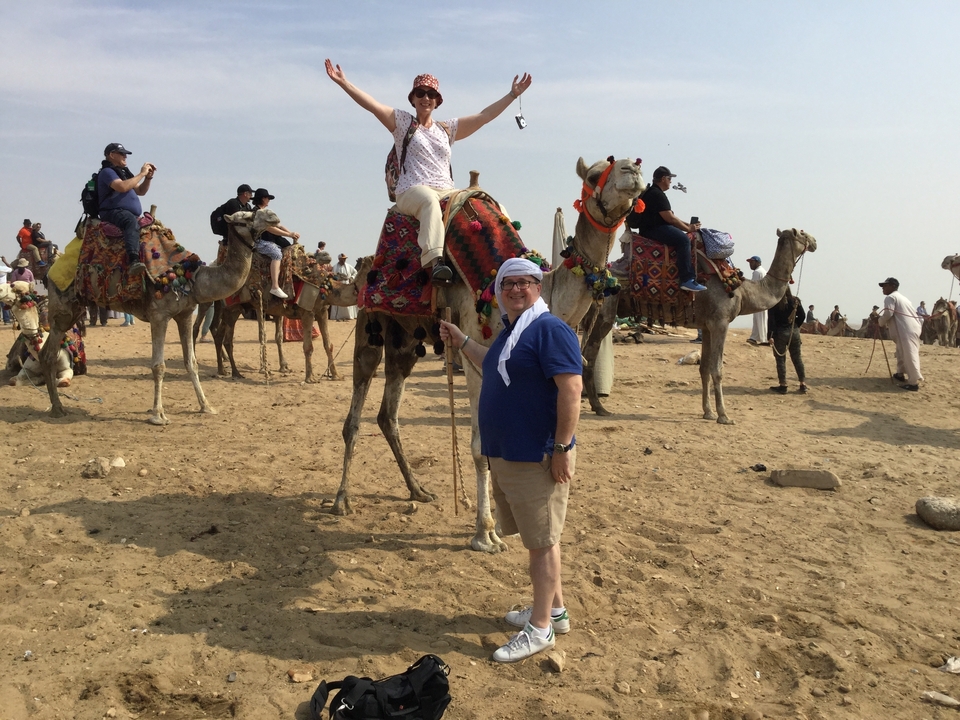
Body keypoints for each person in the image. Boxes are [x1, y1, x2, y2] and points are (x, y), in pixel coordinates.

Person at [439, 257, 582, 663]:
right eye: (508, 285)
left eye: (524, 283)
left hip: (535, 454)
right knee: (538, 539)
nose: (516, 290)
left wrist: (560, 448)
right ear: (499, 292)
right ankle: (555, 611)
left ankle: (540, 629)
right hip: (507, 453)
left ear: (538, 287)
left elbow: (571, 389)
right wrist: (463, 340)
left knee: (543, 543)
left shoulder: (550, 328)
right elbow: (495, 367)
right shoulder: (514, 330)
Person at [325, 60, 532, 283]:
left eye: (431, 94)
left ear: (437, 101)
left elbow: (484, 116)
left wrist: (512, 94)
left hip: (447, 191)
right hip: (412, 190)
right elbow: (372, 105)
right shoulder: (403, 122)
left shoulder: (446, 129)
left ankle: (515, 255)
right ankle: (436, 262)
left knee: (489, 204)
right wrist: (344, 83)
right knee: (429, 203)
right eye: (421, 93)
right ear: (413, 98)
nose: (426, 98)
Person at [625, 166, 706, 293]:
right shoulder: (657, 195)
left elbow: (672, 217)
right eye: (669, 178)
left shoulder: (652, 192)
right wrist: (688, 228)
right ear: (663, 179)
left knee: (683, 234)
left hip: (653, 227)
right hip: (654, 229)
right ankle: (687, 279)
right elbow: (670, 219)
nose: (670, 181)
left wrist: (690, 227)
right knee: (684, 240)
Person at [97, 142, 155, 274]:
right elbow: (122, 187)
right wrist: (141, 174)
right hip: (113, 212)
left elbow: (140, 191)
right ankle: (133, 259)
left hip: (127, 212)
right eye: (122, 154)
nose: (125, 157)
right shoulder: (107, 172)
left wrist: (148, 178)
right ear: (112, 155)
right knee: (130, 222)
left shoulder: (123, 174)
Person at [252, 188, 300, 299]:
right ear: (263, 199)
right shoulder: (257, 213)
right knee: (276, 254)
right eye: (267, 198)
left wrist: (291, 233)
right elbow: (270, 228)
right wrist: (289, 234)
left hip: (271, 239)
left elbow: (278, 225)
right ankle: (275, 286)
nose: (269, 200)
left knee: (290, 249)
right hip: (260, 241)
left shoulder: (266, 212)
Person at [878, 277, 923, 391]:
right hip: (911, 327)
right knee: (900, 351)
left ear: (893, 286)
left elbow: (888, 313)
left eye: (885, 285)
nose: (883, 288)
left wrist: (879, 322)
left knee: (909, 353)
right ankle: (900, 373)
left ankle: (913, 382)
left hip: (905, 329)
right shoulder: (903, 298)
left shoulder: (890, 297)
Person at [767, 287, 806, 394]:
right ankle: (803, 384)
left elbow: (772, 322)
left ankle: (783, 385)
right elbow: (802, 316)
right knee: (797, 358)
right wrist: (796, 326)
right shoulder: (795, 301)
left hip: (780, 333)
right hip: (794, 332)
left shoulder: (774, 303)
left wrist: (770, 336)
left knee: (780, 359)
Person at [746, 256, 768, 345]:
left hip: (759, 298)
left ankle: (764, 339)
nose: (750, 264)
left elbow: (753, 286)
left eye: (752, 262)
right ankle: (754, 337)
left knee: (760, 318)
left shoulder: (757, 272)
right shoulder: (763, 271)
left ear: (757, 263)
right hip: (763, 297)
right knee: (758, 318)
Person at [330, 253, 359, 321]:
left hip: (346, 284)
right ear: (339, 259)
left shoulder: (349, 266)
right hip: (338, 285)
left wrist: (351, 278)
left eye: (345, 259)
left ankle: (348, 315)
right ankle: (337, 316)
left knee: (347, 298)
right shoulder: (334, 267)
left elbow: (355, 272)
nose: (344, 260)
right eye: (343, 259)